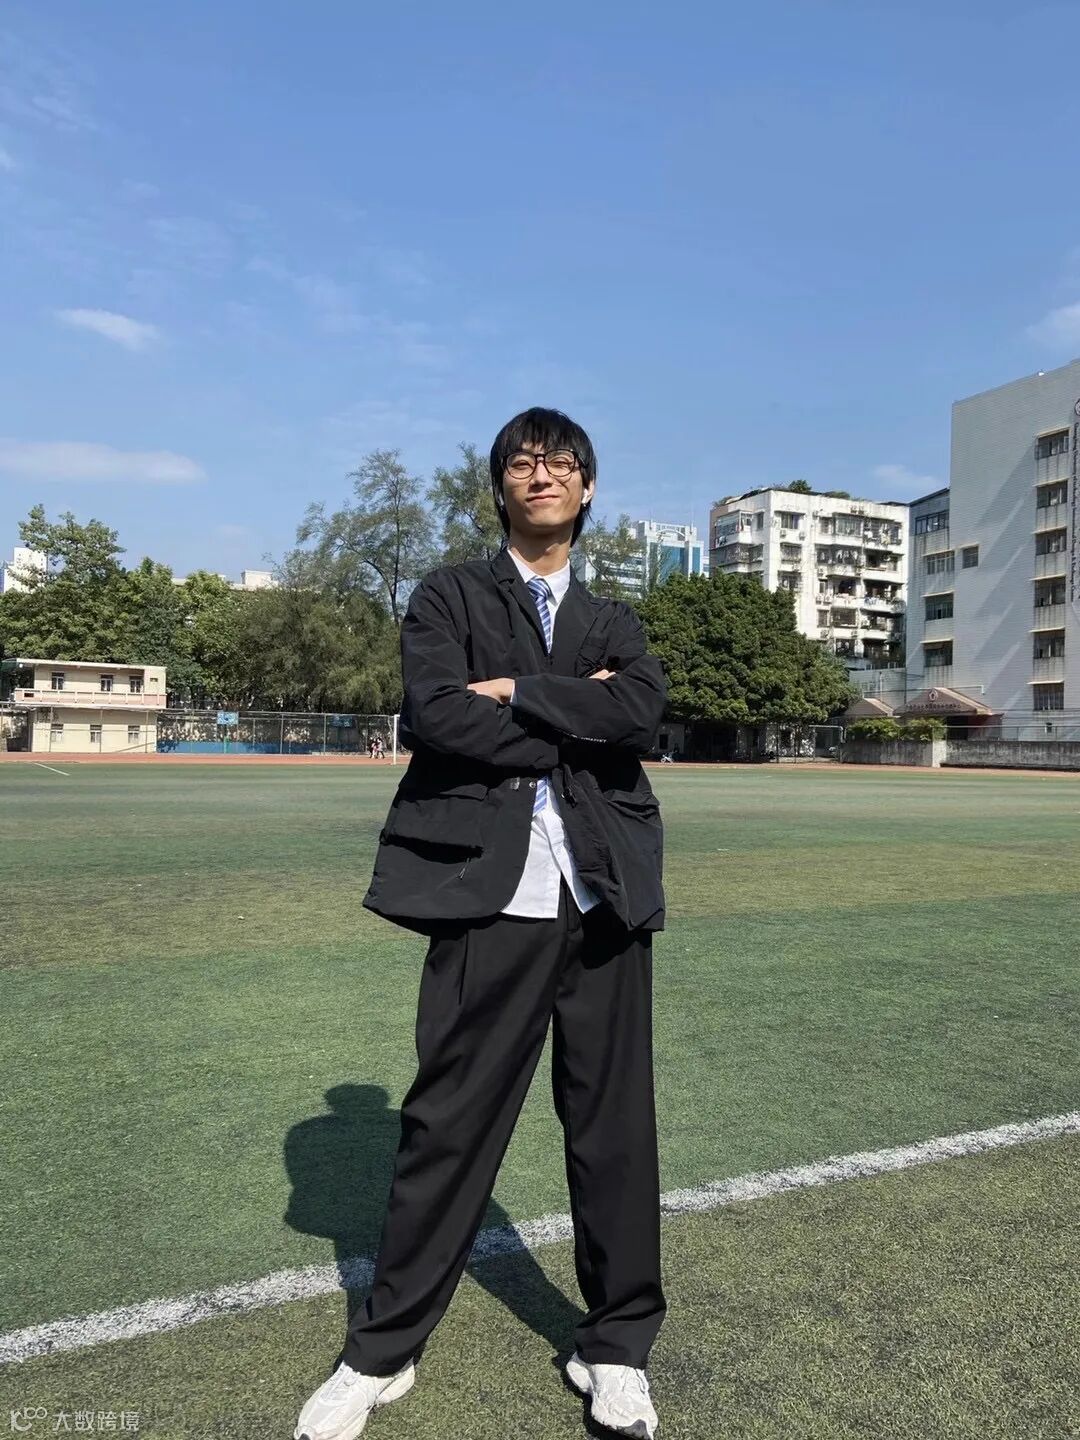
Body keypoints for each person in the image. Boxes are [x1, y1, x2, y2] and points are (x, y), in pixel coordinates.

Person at [295, 407, 668, 1440]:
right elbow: (437, 715)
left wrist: (519, 693)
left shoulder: (613, 618)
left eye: (561, 461)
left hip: (603, 900)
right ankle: (382, 1351)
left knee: (614, 1134)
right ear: (500, 486)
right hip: (489, 896)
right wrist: (575, 710)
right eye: (523, 461)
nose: (542, 473)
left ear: (588, 488)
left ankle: (616, 1347)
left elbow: (642, 714)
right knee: (448, 1127)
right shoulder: (449, 594)